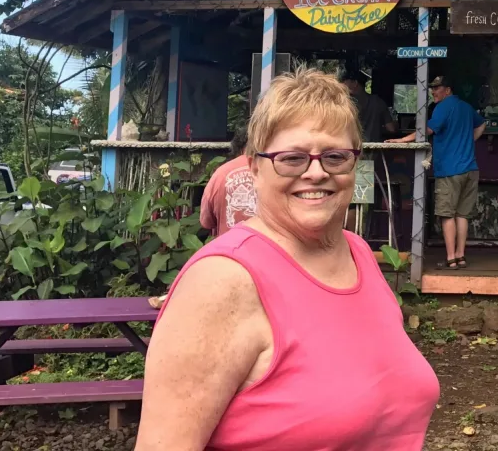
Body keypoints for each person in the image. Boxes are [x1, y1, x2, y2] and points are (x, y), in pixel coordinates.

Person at [136, 68, 439, 451]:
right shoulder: (223, 280)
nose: (316, 172)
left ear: (355, 162)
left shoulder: (356, 251)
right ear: (254, 167)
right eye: (292, 158)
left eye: (334, 156)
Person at [394, 76, 485, 269]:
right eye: (432, 89)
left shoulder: (443, 107)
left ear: (448, 90)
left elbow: (427, 130)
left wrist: (403, 140)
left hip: (450, 171)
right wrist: (470, 142)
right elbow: (481, 124)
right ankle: (461, 256)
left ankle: (451, 258)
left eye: (437, 88)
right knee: (462, 215)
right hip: (470, 169)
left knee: (447, 214)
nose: (434, 92)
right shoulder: (466, 107)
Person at [199, 128, 257, 237]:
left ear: (238, 148)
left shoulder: (221, 174)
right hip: (267, 249)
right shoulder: (273, 171)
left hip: (230, 250)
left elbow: (206, 222)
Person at [341, 68, 398, 143]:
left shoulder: (344, 103)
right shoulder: (378, 102)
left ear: (355, 83)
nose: (341, 85)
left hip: (353, 149)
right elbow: (391, 129)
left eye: (344, 82)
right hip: (374, 150)